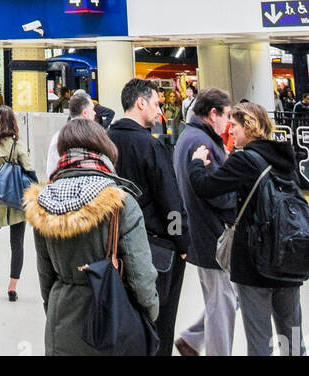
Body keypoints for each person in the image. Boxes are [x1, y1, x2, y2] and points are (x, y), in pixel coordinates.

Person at [25, 117, 158, 355]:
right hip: (113, 320)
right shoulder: (120, 203)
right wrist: (149, 312)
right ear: (104, 150)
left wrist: (56, 309)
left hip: (61, 319)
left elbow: (46, 277)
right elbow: (141, 276)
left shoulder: (42, 203)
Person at [189, 100, 306, 357]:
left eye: (234, 126)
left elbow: (205, 186)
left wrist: (197, 162)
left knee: (259, 340)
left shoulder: (245, 161)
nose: (230, 132)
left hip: (255, 264)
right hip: (289, 258)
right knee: (293, 336)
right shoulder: (285, 159)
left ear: (249, 126)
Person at [109, 78, 189, 358]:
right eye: (156, 104)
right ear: (140, 102)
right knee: (160, 323)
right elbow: (171, 201)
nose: (159, 111)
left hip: (113, 246)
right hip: (156, 248)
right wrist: (182, 243)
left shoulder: (106, 140)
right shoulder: (149, 146)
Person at [172, 87, 237, 358]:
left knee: (220, 299)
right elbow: (218, 194)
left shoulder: (187, 136)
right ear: (213, 114)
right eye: (227, 116)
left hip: (200, 234)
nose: (229, 123)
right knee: (223, 305)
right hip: (213, 235)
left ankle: (191, 338)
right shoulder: (203, 144)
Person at [0, 105, 35, 301]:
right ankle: (12, 289)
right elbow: (30, 171)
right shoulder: (16, 145)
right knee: (17, 244)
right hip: (15, 202)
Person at [46, 89, 96, 178]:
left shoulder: (59, 136)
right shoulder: (93, 137)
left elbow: (51, 170)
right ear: (84, 113)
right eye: (92, 109)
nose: (95, 113)